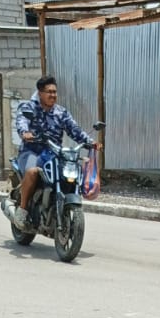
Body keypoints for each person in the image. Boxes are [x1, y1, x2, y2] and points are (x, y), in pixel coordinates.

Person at [11, 75, 95, 227]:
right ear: (40, 93)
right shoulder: (28, 107)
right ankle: (22, 211)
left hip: (53, 153)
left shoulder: (61, 112)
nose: (53, 95)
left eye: (55, 92)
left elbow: (74, 129)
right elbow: (21, 121)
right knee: (32, 171)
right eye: (49, 92)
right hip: (31, 151)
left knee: (73, 168)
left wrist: (90, 142)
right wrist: (25, 133)